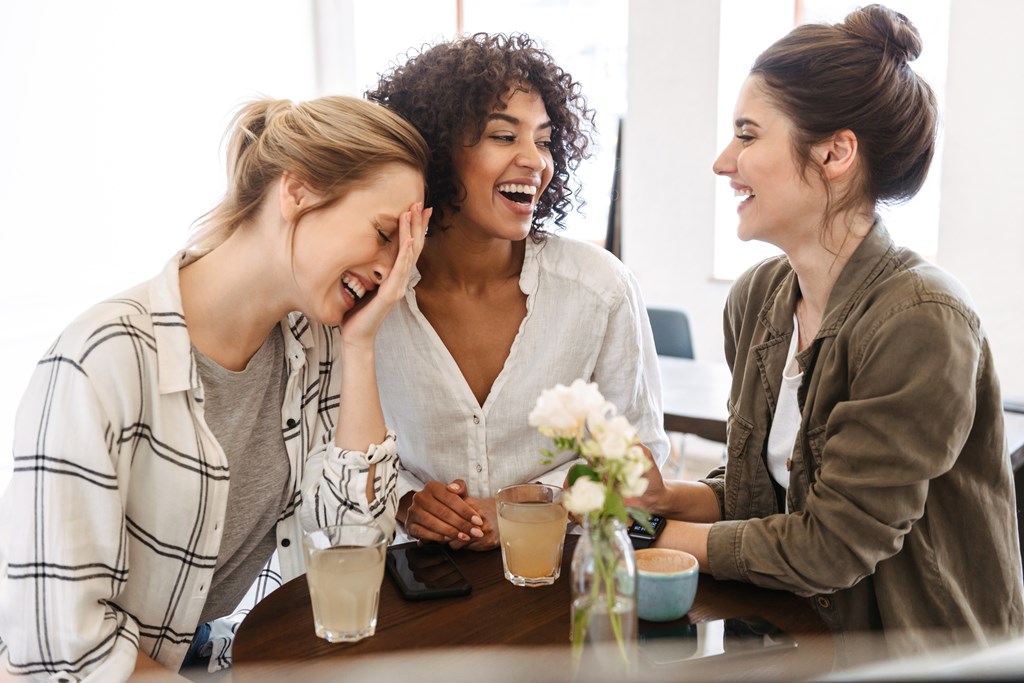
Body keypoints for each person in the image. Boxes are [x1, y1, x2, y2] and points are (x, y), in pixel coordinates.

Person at [635, 4, 1024, 665]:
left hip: (919, 658)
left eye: (748, 135)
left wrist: (672, 536)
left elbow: (831, 546)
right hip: (794, 632)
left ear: (836, 151)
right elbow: (774, 493)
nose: (723, 161)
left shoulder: (922, 320)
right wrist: (678, 497)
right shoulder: (757, 299)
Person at [0, 95, 430, 681]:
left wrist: (361, 348)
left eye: (405, 252)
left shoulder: (320, 342)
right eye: (385, 235)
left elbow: (352, 545)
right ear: (298, 191)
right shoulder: (101, 360)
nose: (392, 273)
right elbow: (65, 645)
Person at [365, 33, 669, 550]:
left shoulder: (598, 289)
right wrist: (406, 501)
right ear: (436, 151)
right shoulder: (371, 293)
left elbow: (641, 462)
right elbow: (329, 442)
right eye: (504, 137)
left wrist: (533, 503)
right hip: (418, 583)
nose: (535, 160)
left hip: (564, 570)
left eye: (545, 140)